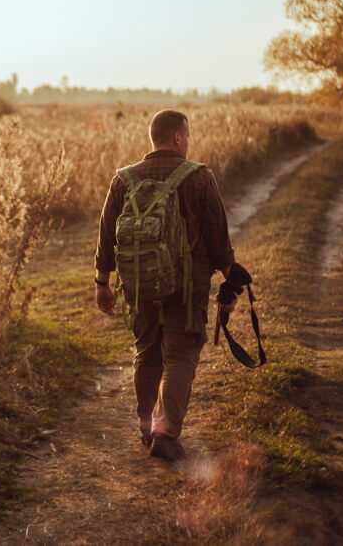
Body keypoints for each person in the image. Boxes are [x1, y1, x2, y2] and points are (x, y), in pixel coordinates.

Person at [93, 109, 236, 462]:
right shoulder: (199, 177)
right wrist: (230, 274)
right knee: (181, 353)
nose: (188, 142)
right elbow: (218, 235)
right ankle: (165, 432)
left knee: (147, 350)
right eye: (186, 136)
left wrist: (102, 282)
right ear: (177, 138)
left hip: (139, 284)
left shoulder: (123, 179)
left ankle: (145, 425)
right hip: (186, 288)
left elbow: (106, 233)